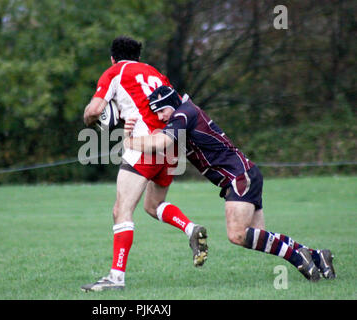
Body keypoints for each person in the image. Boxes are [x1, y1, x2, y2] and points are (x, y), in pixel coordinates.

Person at [123, 85, 336, 281]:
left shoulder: (182, 114)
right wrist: (130, 132)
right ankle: (319, 256)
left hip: (238, 176)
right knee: (257, 235)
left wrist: (128, 142)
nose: (160, 117)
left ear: (171, 104)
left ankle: (298, 258)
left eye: (161, 111)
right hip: (245, 174)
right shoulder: (183, 116)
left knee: (237, 234)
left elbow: (161, 142)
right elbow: (161, 144)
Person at [81, 37, 208, 292]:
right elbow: (176, 106)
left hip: (144, 144)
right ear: (138, 56)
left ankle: (116, 277)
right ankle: (191, 228)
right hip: (171, 144)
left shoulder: (115, 71)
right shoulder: (154, 73)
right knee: (153, 205)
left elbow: (94, 110)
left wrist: (90, 119)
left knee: (121, 210)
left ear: (112, 58)